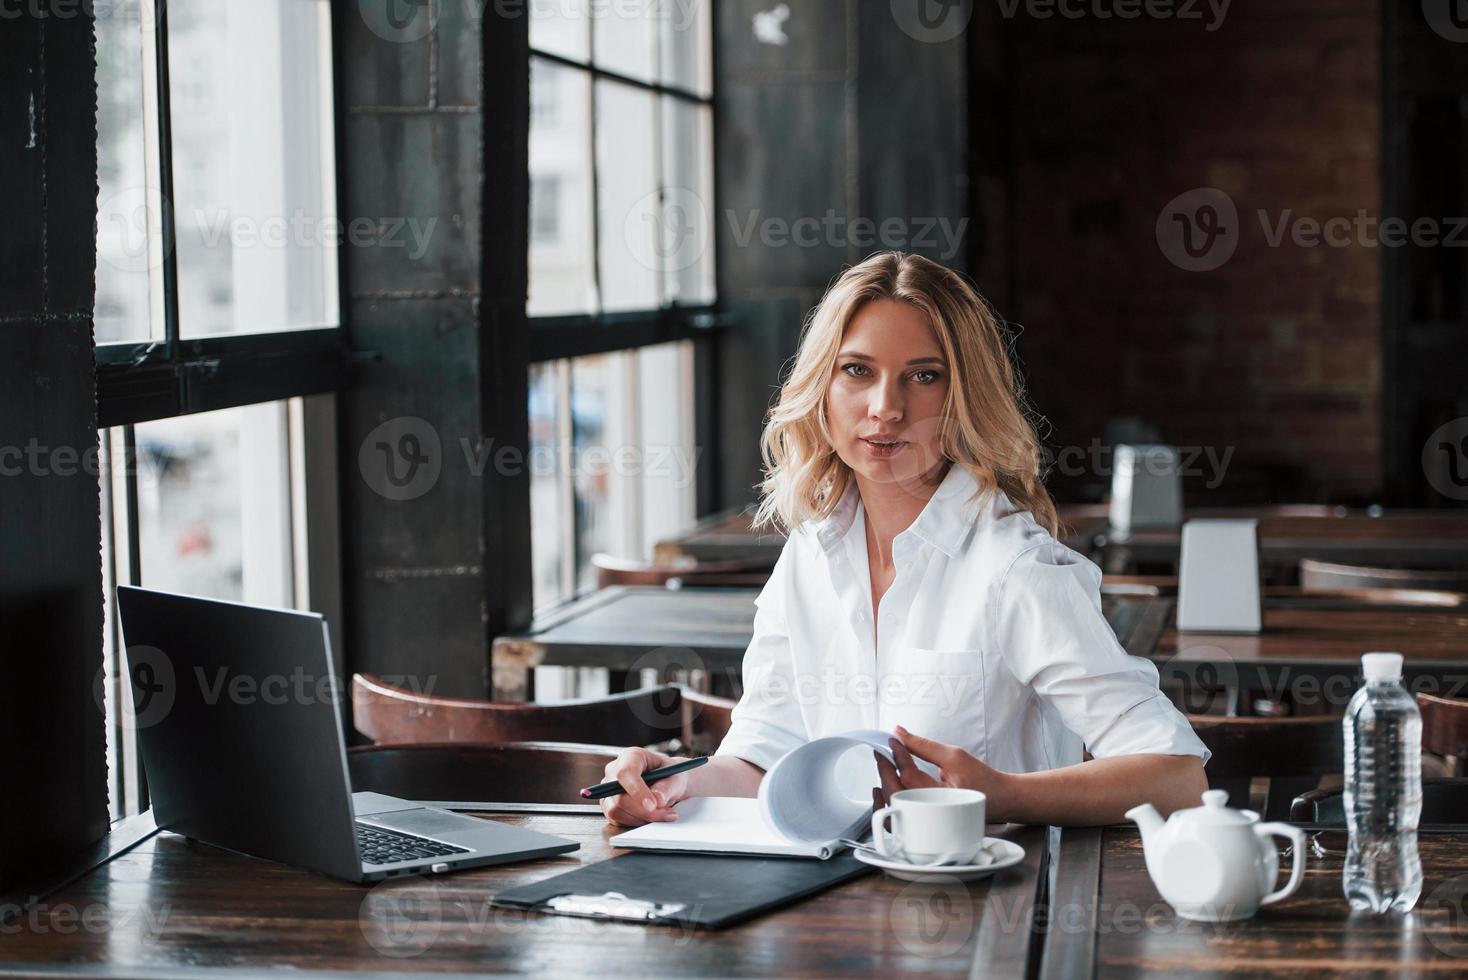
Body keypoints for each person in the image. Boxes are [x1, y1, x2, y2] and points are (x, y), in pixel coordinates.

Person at [600, 251, 1210, 829]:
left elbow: (1179, 780)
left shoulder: (1016, 570)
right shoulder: (808, 556)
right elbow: (764, 759)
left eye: (924, 376)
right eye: (858, 371)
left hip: (996, 912)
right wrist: (673, 784)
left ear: (963, 398)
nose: (886, 408)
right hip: (840, 909)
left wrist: (1002, 796)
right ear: (824, 388)